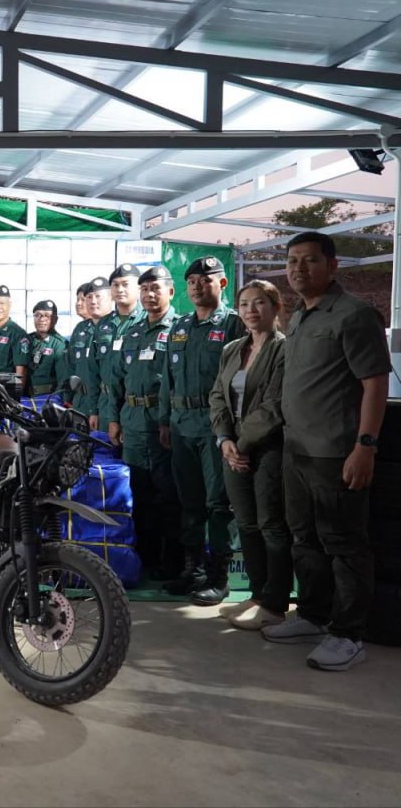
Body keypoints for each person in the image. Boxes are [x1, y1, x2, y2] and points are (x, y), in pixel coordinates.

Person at [261, 231, 389, 672]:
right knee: (305, 539)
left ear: (332, 266)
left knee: (345, 544)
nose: (298, 268)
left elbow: (375, 384)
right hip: (296, 451)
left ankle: (349, 634)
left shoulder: (354, 315)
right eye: (292, 261)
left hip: (335, 453)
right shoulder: (299, 317)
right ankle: (313, 617)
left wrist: (365, 446)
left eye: (310, 260)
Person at [158, 256, 243, 603]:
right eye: (192, 281)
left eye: (205, 280)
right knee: (189, 502)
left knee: (218, 504)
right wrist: (164, 420)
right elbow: (168, 378)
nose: (197, 287)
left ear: (222, 284)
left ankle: (218, 577)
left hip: (215, 427)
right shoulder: (180, 326)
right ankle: (192, 571)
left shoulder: (234, 324)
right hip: (181, 426)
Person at [208, 279, 289, 630]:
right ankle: (257, 595)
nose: (250, 310)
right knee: (246, 523)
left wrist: (240, 445)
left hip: (268, 446)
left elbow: (275, 404)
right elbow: (217, 396)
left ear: (275, 307)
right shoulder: (233, 349)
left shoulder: (284, 349)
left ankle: (275, 603)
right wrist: (224, 439)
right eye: (244, 304)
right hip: (233, 447)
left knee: (271, 524)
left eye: (259, 303)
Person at [109, 265, 180, 581]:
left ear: (170, 292)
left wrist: (167, 421)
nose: (150, 294)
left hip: (163, 424)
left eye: (156, 288)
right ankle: (146, 560)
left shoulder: (179, 329)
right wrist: (115, 419)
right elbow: (117, 380)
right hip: (133, 423)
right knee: (138, 495)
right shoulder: (133, 332)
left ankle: (172, 563)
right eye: (145, 289)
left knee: (168, 495)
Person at [95, 263, 145, 434]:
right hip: (105, 403)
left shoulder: (147, 321)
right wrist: (93, 410)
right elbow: (95, 370)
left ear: (138, 288)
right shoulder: (104, 323)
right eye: (115, 285)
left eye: (125, 284)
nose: (120, 289)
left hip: (134, 404)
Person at [68, 278, 108, 413]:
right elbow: (71, 365)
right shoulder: (80, 328)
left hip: (104, 400)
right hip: (81, 401)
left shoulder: (114, 327)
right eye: (89, 297)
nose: (79, 303)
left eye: (83, 299)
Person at [23, 300, 68, 396]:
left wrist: (55, 400)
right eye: (37, 315)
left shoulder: (60, 345)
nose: (41, 319)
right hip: (24, 397)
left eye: (47, 316)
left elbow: (63, 380)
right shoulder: (26, 340)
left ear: (55, 319)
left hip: (47, 398)